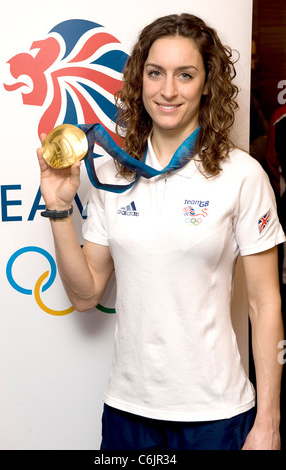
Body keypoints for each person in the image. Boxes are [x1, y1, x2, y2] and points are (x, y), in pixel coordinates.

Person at [37, 13, 285, 450]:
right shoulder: (113, 173)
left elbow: (264, 303)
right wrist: (58, 211)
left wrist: (268, 423)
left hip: (216, 414)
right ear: (140, 80)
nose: (168, 90)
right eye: (156, 73)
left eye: (185, 75)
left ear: (207, 84)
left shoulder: (242, 175)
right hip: (127, 413)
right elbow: (85, 294)